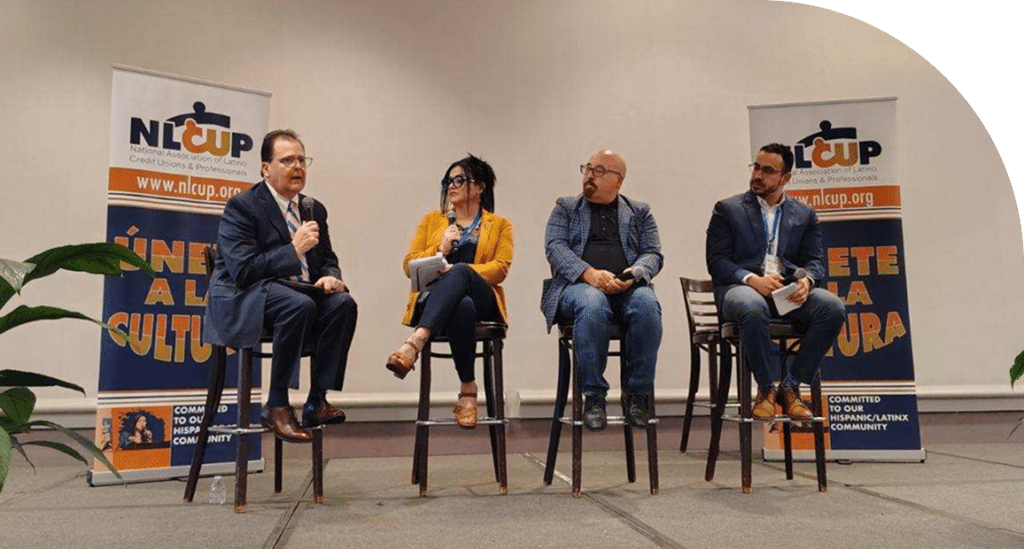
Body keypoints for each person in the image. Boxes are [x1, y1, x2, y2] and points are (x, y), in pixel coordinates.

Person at [204, 129, 357, 443]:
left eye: (302, 159)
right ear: (265, 169)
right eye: (287, 160)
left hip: (294, 294)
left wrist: (329, 274)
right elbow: (243, 271)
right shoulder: (243, 207)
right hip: (244, 296)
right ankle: (276, 405)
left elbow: (327, 256)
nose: (297, 167)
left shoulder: (313, 209)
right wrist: (294, 249)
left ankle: (316, 400)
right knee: (298, 305)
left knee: (343, 303)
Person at [706, 143, 847, 421]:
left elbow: (816, 262)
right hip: (742, 290)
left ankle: (791, 385)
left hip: (786, 293)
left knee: (832, 308)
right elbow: (717, 262)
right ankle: (765, 388)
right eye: (756, 167)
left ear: (785, 178)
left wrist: (808, 280)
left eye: (768, 170)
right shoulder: (728, 210)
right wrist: (752, 280)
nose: (758, 175)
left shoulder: (804, 215)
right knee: (751, 305)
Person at [386, 155, 513, 429]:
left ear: (479, 187)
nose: (450, 187)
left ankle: (415, 341)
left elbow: (500, 268)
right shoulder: (433, 220)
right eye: (447, 182)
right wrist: (440, 250)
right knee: (461, 305)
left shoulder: (500, 224)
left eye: (458, 180)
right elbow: (409, 265)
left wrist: (461, 269)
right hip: (439, 301)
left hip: (485, 301)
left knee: (461, 274)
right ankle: (468, 389)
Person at [540, 149, 664, 431]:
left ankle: (637, 395)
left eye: (599, 171)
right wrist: (590, 274)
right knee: (592, 303)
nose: (590, 176)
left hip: (626, 288)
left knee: (647, 303)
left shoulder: (640, 211)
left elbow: (653, 254)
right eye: (587, 169)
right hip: (577, 288)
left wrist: (634, 274)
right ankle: (594, 397)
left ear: (619, 181)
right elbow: (554, 248)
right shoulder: (566, 207)